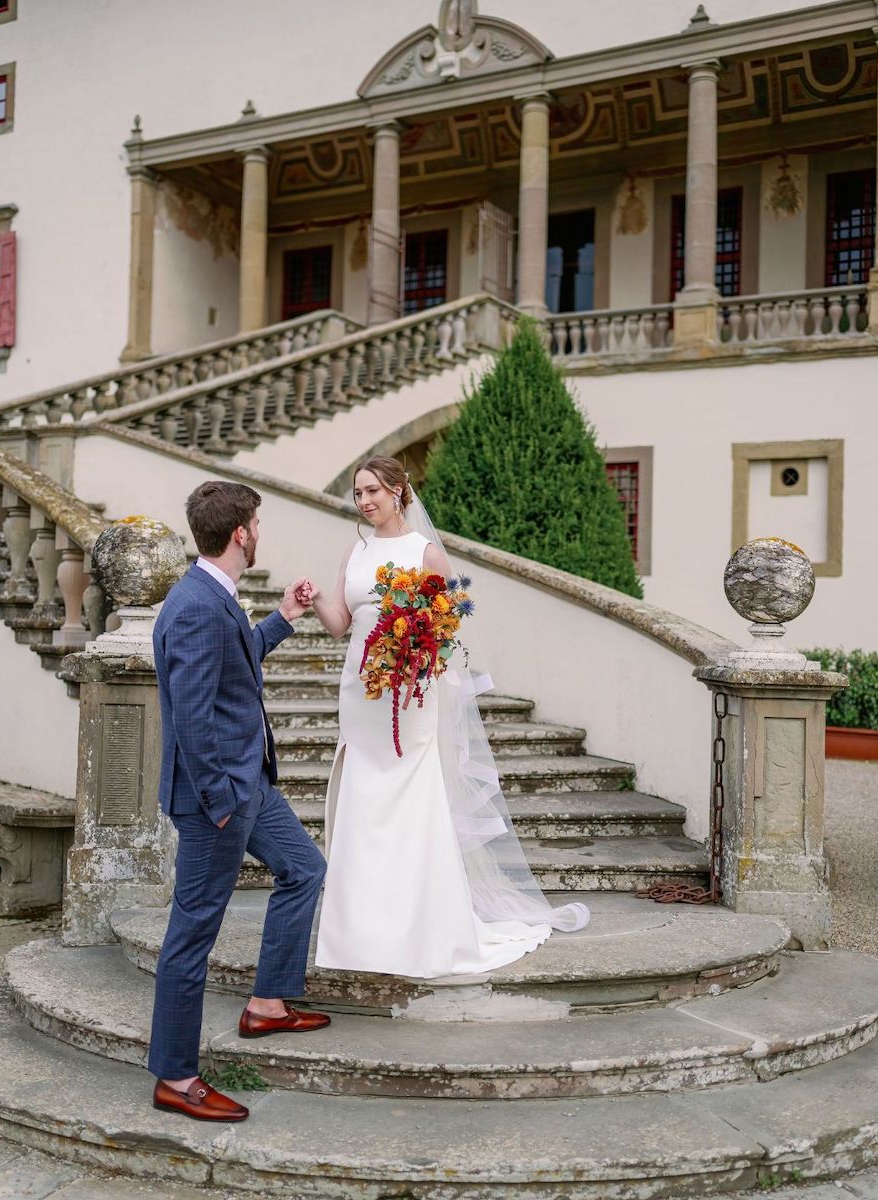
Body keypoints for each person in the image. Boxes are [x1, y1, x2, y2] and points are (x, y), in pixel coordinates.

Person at [296, 456, 588, 980]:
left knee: (408, 794)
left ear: (397, 491)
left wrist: (413, 660)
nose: (363, 501)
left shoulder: (424, 552)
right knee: (363, 793)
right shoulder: (358, 549)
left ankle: (418, 928)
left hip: (409, 693)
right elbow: (342, 625)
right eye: (358, 493)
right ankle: (357, 930)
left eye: (372, 491)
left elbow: (446, 629)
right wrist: (316, 597)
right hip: (360, 691)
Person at [148, 480, 330, 1124]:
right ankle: (174, 1075)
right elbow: (194, 719)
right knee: (191, 936)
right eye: (258, 522)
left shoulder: (214, 596)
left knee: (306, 870)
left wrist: (281, 618)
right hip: (218, 798)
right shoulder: (197, 605)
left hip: (249, 783)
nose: (261, 531)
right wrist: (224, 803)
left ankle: (268, 1005)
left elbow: (235, 664)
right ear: (241, 534)